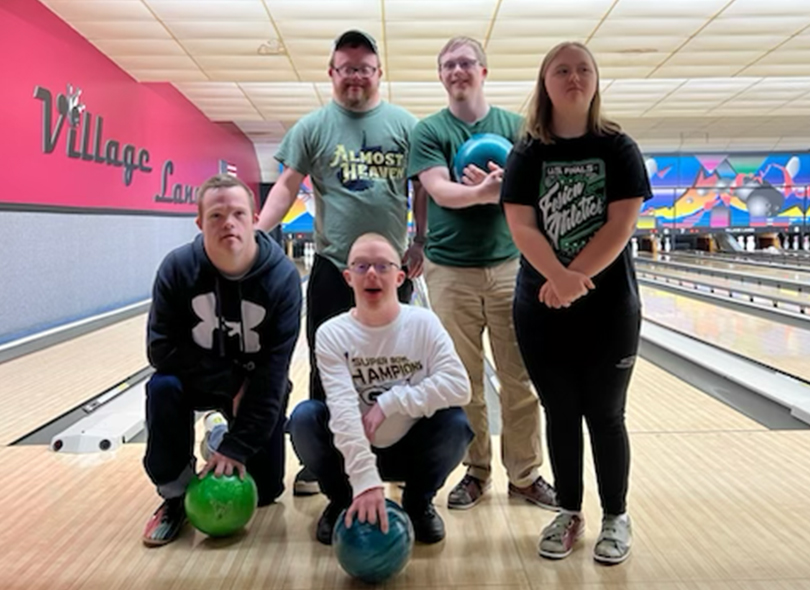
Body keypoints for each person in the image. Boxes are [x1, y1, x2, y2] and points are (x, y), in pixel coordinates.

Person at [501, 41, 652, 564]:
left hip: (608, 305)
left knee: (606, 415)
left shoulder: (618, 147)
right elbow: (520, 224)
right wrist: (558, 278)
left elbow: (622, 223)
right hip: (540, 302)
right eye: (561, 70)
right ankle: (568, 512)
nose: (573, 77)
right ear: (545, 83)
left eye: (583, 69)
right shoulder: (527, 150)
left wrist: (573, 277)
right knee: (560, 412)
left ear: (595, 80)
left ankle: (616, 515)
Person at [256, 30, 426, 496]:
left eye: (364, 69)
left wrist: (422, 242)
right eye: (346, 68)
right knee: (323, 361)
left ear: (378, 73)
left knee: (398, 363)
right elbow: (287, 185)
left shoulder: (405, 125)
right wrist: (259, 231)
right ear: (332, 73)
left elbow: (423, 188)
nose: (355, 76)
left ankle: (394, 454)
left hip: (392, 267)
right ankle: (323, 461)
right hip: (334, 265)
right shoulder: (313, 126)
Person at [406, 37, 556, 511]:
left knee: (520, 379)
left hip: (512, 264)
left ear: (484, 71)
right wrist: (490, 193)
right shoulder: (429, 130)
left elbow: (535, 189)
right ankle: (476, 471)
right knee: (461, 380)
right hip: (449, 270)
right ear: (441, 76)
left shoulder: (517, 127)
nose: (457, 71)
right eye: (448, 65)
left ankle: (526, 475)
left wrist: (502, 190)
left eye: (466, 63)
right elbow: (439, 190)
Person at [142, 174, 302, 546]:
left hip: (257, 386)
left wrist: (236, 446)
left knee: (265, 493)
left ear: (254, 217)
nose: (227, 222)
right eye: (215, 216)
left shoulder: (281, 279)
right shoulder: (178, 268)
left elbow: (274, 373)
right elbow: (160, 349)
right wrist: (231, 382)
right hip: (197, 381)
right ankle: (173, 496)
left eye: (237, 214)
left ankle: (219, 434)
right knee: (162, 386)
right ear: (200, 223)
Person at [287, 233, 473, 545]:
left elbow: (459, 386)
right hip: (352, 448)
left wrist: (391, 402)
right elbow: (343, 408)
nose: (372, 274)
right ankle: (342, 500)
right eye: (361, 266)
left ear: (400, 277)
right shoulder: (333, 333)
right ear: (348, 278)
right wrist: (364, 481)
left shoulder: (424, 323)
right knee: (305, 418)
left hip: (410, 447)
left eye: (382, 266)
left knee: (455, 423)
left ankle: (417, 504)